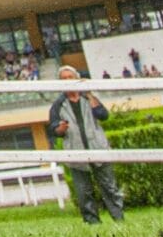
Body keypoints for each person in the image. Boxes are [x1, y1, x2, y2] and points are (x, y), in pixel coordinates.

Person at [47, 66, 125, 224]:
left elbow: (103, 115)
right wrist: (59, 128)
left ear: (76, 78)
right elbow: (53, 128)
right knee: (84, 192)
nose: (67, 81)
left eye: (70, 77)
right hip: (76, 154)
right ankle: (93, 223)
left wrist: (88, 93)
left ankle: (119, 219)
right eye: (64, 78)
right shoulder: (58, 105)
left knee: (109, 188)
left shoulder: (88, 98)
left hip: (99, 150)